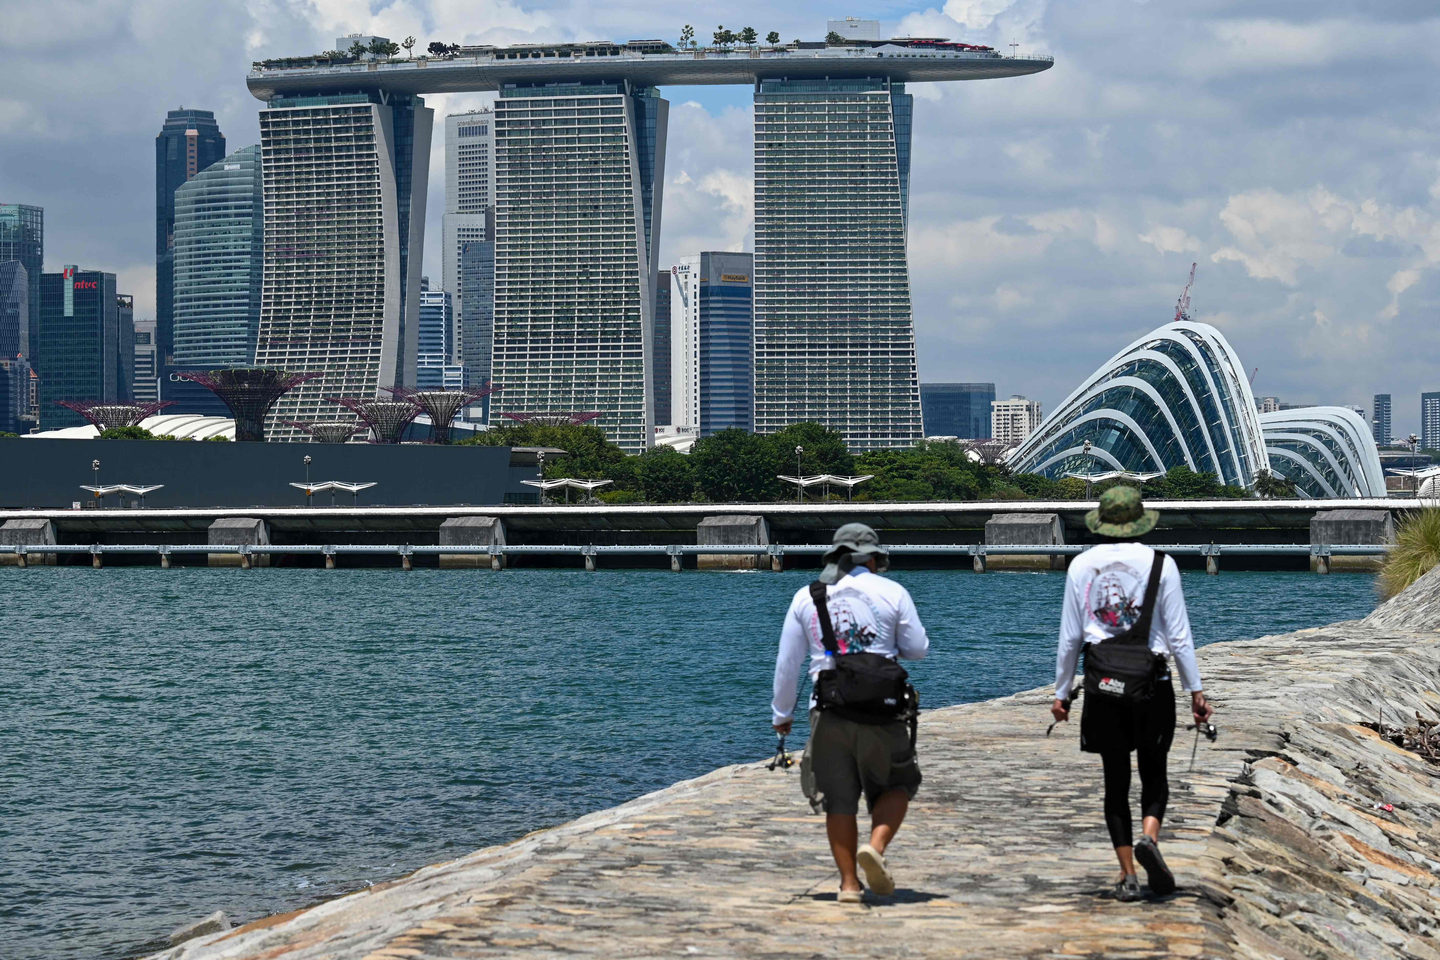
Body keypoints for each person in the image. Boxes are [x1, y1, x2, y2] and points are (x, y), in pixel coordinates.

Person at [1050, 486, 1215, 902]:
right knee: (1154, 772)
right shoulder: (1162, 564)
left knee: (1115, 781)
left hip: (1102, 686)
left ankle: (1127, 875)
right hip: (1152, 684)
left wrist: (1062, 694)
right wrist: (1195, 691)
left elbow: (1070, 639)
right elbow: (1179, 637)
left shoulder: (1081, 565)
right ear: (1140, 523)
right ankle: (1149, 838)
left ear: (1101, 524)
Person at [771, 523, 929, 903]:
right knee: (898, 785)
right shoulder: (893, 591)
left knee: (838, 799)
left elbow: (788, 663)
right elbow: (918, 648)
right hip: (883, 708)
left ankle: (848, 886)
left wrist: (782, 715)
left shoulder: (808, 595)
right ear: (873, 558)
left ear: (835, 556)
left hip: (828, 710)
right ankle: (875, 847)